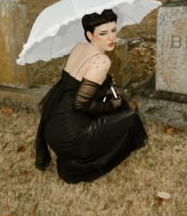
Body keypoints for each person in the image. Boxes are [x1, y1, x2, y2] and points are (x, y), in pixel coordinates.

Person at [35, 9, 148, 183]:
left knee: (118, 106)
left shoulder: (79, 47)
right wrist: (113, 106)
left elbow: (74, 85)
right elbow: (81, 104)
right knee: (130, 117)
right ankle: (86, 160)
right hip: (73, 137)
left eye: (113, 30)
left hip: (53, 127)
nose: (111, 38)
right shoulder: (102, 61)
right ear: (90, 34)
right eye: (103, 33)